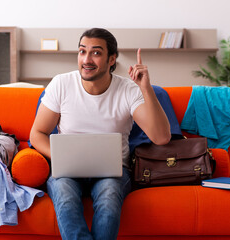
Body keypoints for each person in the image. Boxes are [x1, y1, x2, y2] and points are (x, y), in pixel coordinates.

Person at [30, 28, 171, 240]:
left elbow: (161, 137)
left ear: (111, 59)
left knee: (109, 198)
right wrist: (63, 157)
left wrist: (145, 88)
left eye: (96, 53)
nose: (86, 59)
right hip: (67, 171)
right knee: (65, 198)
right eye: (82, 51)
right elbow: (37, 134)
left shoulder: (128, 90)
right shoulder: (62, 84)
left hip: (112, 173)